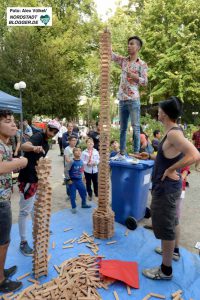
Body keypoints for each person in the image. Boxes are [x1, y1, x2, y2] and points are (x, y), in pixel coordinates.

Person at [136, 96, 200, 280]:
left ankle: (165, 270)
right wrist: (150, 157)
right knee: (172, 222)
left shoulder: (173, 133)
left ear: (164, 113)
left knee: (165, 227)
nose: (158, 112)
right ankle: (175, 252)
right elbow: (169, 157)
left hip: (165, 189)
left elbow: (195, 154)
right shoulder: (172, 131)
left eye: (160, 109)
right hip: (169, 187)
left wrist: (172, 169)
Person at [18, 119, 60, 256]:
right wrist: (33, 147)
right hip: (27, 179)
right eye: (51, 130)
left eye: (55, 132)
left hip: (36, 178)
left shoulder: (47, 143)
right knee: (25, 211)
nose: (52, 133)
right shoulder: (38, 136)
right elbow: (24, 146)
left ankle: (38, 229)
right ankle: (23, 242)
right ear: (46, 128)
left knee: (34, 208)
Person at [0, 109, 28, 293]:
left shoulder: (6, 144)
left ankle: (1, 270)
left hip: (4, 198)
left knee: (3, 240)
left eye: (13, 121)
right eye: (8, 121)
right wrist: (20, 162)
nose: (13, 124)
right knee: (3, 241)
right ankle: (1, 281)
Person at [111, 36, 148, 155]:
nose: (129, 46)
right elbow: (111, 55)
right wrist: (107, 41)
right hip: (122, 99)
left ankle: (136, 153)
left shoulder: (142, 64)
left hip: (133, 100)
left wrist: (135, 77)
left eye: (132, 44)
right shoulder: (123, 61)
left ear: (138, 47)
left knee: (136, 127)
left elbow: (145, 82)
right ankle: (122, 152)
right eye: (128, 44)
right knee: (122, 129)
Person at [155, 166, 190, 261]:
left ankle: (174, 251)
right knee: (169, 220)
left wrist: (174, 178)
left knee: (173, 221)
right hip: (168, 189)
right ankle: (168, 250)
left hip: (173, 191)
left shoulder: (184, 154)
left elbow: (184, 173)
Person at [65, 147, 91, 213]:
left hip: (79, 180)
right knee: (73, 195)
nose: (79, 152)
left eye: (80, 150)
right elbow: (66, 171)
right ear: (73, 153)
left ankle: (84, 204)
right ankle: (73, 207)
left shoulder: (81, 161)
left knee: (83, 192)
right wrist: (68, 179)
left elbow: (82, 170)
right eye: (76, 151)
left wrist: (83, 176)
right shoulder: (71, 161)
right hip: (72, 181)